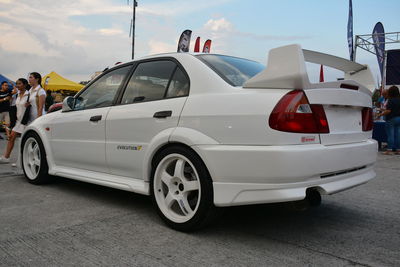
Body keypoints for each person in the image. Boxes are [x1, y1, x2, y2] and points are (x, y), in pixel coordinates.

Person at [0, 78, 31, 163]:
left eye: (19, 83)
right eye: (16, 83)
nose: (17, 85)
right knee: (11, 137)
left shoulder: (29, 95)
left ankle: (23, 161)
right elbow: (13, 107)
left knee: (25, 141)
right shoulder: (16, 95)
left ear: (25, 85)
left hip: (26, 121)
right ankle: (6, 157)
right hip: (18, 121)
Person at [375, 85, 400, 155]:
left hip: (391, 119)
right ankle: (398, 150)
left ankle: (389, 150)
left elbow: (388, 111)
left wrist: (379, 115)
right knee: (398, 135)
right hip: (399, 118)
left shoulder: (391, 100)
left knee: (390, 135)